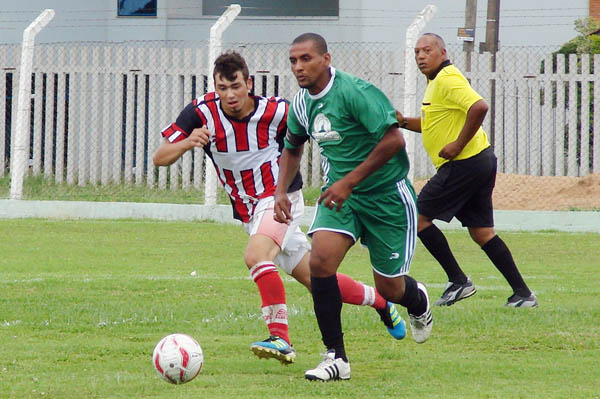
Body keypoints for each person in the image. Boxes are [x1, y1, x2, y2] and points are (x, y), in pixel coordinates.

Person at [153, 51, 407, 366]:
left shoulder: (276, 110)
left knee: (256, 256)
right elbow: (160, 157)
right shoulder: (200, 113)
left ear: (248, 83)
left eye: (235, 86)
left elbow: (318, 128)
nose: (230, 95)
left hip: (280, 198)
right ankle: (381, 302)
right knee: (317, 280)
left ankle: (280, 338)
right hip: (249, 210)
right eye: (222, 88)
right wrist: (187, 141)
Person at [275, 33, 432, 382]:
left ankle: (417, 300)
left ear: (326, 59)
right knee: (320, 261)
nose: (298, 67)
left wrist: (350, 181)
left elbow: (393, 139)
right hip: (340, 198)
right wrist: (280, 192)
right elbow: (293, 147)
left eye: (305, 59)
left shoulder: (356, 93)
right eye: (293, 60)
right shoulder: (301, 104)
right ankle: (336, 357)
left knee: (390, 287)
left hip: (387, 198)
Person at [395, 33, 537, 308]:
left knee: (417, 217)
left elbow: (479, 106)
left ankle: (458, 281)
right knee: (482, 232)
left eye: (427, 50)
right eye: (417, 52)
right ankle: (523, 294)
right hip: (478, 160)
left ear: (442, 52)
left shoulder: (447, 78)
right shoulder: (436, 83)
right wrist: (402, 122)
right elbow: (431, 124)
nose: (421, 56)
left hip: (465, 162)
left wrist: (458, 145)